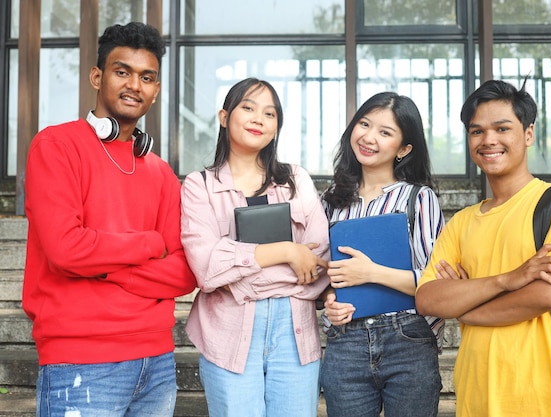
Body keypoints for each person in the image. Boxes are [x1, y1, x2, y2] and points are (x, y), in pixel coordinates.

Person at [22, 22, 197, 417]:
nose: (135, 85)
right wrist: (151, 244)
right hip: (79, 362)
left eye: (147, 77)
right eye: (122, 72)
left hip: (157, 363)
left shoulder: (160, 172)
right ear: (97, 77)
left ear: (155, 90)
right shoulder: (56, 146)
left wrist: (102, 268)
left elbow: (185, 271)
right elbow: (67, 250)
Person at [415, 79, 551, 417]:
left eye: (502, 128)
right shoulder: (461, 222)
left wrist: (466, 307)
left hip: (546, 397)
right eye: (477, 132)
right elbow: (428, 299)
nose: (489, 140)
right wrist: (509, 279)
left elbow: (547, 294)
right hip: (477, 395)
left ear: (528, 134)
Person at [180, 77, 330, 417]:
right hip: (228, 334)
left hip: (295, 334)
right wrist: (289, 252)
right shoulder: (198, 186)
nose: (258, 119)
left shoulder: (296, 179)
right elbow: (206, 268)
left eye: (270, 113)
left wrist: (238, 276)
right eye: (247, 108)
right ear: (224, 116)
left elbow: (319, 258)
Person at [319, 91, 445, 417]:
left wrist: (371, 272)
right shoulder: (331, 200)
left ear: (404, 149)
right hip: (345, 343)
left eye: (385, 132)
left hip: (408, 340)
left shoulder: (418, 199)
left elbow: (437, 284)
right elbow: (325, 280)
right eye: (364, 124)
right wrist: (331, 304)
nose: (369, 137)